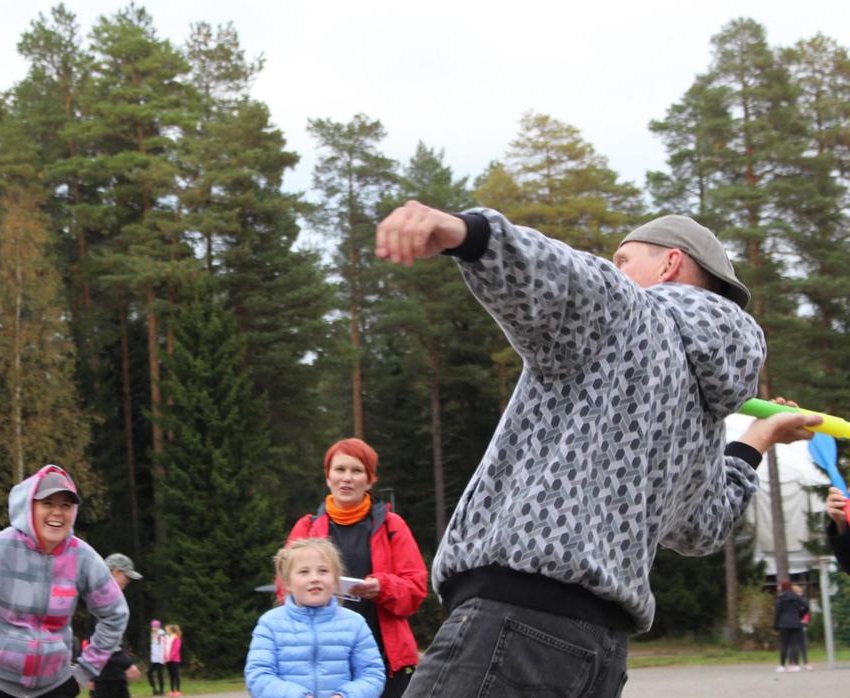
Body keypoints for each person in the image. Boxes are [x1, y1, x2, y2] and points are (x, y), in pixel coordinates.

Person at [374, 202, 823, 697]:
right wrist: (759, 438)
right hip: (601, 652)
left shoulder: (629, 311)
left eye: (624, 258)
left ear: (670, 264)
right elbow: (702, 527)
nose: (616, 269)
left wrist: (464, 231)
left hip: (515, 620)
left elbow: (560, 275)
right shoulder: (704, 412)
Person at [0, 465, 129, 698]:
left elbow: (116, 614)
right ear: (29, 507)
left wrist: (85, 672)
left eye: (65, 505)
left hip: (55, 687)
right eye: (47, 503)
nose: (57, 512)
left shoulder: (83, 558)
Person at [283, 438, 427, 698]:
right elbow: (285, 591)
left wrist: (382, 587)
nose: (347, 478)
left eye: (357, 470)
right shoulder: (306, 528)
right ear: (328, 477)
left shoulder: (393, 526)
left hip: (384, 661)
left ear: (370, 480)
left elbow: (416, 591)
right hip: (324, 663)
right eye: (340, 470)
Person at [246, 538, 385, 698]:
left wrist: (345, 696)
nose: (315, 578)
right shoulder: (270, 623)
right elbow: (258, 676)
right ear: (288, 583)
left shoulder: (355, 623)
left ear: (335, 580)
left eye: (323, 571)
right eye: (304, 572)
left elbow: (372, 674)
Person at [90, 554, 143, 698]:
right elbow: (103, 641)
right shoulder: (104, 599)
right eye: (127, 576)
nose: (128, 581)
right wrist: (126, 663)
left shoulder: (102, 596)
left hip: (111, 675)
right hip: (108, 676)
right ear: (116, 572)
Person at [774, 580, 809, 672]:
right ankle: (796, 665)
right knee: (795, 644)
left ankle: (782, 665)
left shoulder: (780, 598)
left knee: (784, 645)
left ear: (783, 587)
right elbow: (805, 607)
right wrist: (800, 615)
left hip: (784, 623)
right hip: (796, 622)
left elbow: (777, 612)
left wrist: (776, 625)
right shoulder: (797, 597)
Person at [164, 625, 182, 697]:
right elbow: (166, 649)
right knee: (171, 675)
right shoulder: (167, 638)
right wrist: (165, 658)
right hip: (168, 660)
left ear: (171, 630)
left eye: (167, 630)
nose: (166, 631)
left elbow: (176, 649)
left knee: (176, 675)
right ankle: (172, 690)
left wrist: (170, 657)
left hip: (174, 660)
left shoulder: (176, 638)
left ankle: (178, 690)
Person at [148, 621, 166, 695]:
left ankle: (161, 691)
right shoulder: (153, 633)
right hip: (154, 658)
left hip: (160, 658)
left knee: (159, 674)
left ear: (157, 627)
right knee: (149, 673)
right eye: (152, 626)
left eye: (154, 627)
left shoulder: (161, 634)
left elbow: (163, 646)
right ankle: (154, 689)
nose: (152, 628)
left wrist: (163, 658)